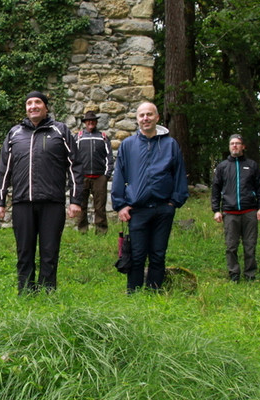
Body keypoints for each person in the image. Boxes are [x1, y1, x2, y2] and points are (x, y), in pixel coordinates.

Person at [0, 91, 84, 293]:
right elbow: (4, 170)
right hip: (22, 202)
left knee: (49, 250)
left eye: (37, 102)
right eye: (29, 103)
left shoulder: (60, 131)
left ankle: (47, 291)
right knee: (24, 250)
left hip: (52, 202)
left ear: (46, 107)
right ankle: (26, 291)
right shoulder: (14, 133)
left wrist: (75, 200)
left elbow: (75, 166)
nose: (33, 106)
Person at [111, 100, 189, 292]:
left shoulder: (170, 144)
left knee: (158, 254)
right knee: (137, 255)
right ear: (137, 119)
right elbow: (119, 175)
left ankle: (154, 292)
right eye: (142, 115)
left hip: (163, 208)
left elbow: (179, 174)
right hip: (137, 210)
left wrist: (174, 202)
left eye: (149, 114)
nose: (145, 118)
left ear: (157, 117)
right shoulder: (128, 145)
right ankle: (134, 293)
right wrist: (120, 205)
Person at [211, 134, 260, 282]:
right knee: (231, 246)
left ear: (243, 146)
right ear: (229, 147)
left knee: (250, 245)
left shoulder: (252, 165)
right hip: (230, 212)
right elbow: (215, 189)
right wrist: (216, 210)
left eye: (237, 143)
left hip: (249, 211)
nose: (234, 146)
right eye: (232, 143)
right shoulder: (222, 167)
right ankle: (234, 274)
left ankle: (250, 274)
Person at [74, 111, 113, 235]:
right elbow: (73, 157)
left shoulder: (103, 137)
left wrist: (106, 175)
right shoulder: (78, 137)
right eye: (88, 121)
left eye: (93, 120)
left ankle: (101, 231)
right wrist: (76, 174)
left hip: (99, 177)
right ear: (85, 123)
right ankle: (82, 230)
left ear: (96, 122)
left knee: (100, 206)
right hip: (82, 177)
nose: (90, 122)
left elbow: (109, 157)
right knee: (81, 205)